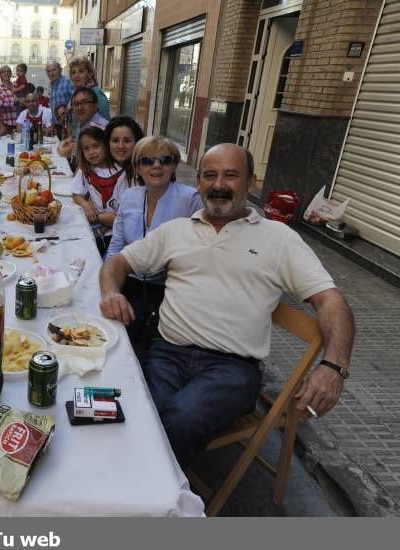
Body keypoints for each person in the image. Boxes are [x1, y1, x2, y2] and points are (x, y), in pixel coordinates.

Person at [99, 143, 355, 469]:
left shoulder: (279, 238)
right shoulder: (176, 231)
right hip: (168, 354)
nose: (218, 184)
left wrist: (333, 367)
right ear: (200, 182)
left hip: (231, 370)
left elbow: (331, 300)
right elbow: (117, 263)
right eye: (209, 175)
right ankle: (148, 487)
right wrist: (111, 292)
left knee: (177, 420)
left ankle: (145, 500)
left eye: (231, 175)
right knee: (129, 406)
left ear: (251, 183)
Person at [105, 136, 202, 348]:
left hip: (165, 286)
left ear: (174, 165)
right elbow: (115, 245)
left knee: (125, 331)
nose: (156, 165)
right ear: (138, 167)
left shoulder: (190, 199)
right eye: (148, 161)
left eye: (165, 160)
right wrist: (109, 282)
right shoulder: (130, 196)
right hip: (128, 278)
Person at [71, 126, 127, 256]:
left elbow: (118, 218)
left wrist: (94, 217)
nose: (91, 152)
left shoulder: (121, 174)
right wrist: (86, 205)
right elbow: (76, 194)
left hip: (114, 235)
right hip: (94, 230)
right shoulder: (86, 170)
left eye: (95, 146)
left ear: (106, 146)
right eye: (86, 148)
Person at [58, 86, 109, 160]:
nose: (79, 108)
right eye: (75, 104)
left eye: (84, 102)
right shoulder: (82, 124)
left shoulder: (101, 128)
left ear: (96, 105)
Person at [68, 55, 110, 121]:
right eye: (73, 72)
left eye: (81, 71)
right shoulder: (76, 93)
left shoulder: (96, 93)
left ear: (90, 74)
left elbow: (105, 122)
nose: (76, 75)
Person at [105, 117, 144, 186]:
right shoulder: (97, 167)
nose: (121, 146)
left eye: (127, 141)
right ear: (107, 143)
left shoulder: (145, 172)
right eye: (115, 141)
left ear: (137, 142)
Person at [45, 61, 75, 135]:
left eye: (54, 70)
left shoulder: (68, 82)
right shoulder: (51, 86)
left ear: (60, 70)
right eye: (49, 71)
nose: (51, 73)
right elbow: (53, 108)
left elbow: (75, 102)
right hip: (58, 127)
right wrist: (52, 125)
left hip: (69, 126)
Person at [0, 65, 18, 133]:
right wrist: (14, 101)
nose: (6, 73)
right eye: (3, 72)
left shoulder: (16, 86)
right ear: (0, 75)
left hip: (19, 123)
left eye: (8, 71)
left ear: (11, 74)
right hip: (6, 123)